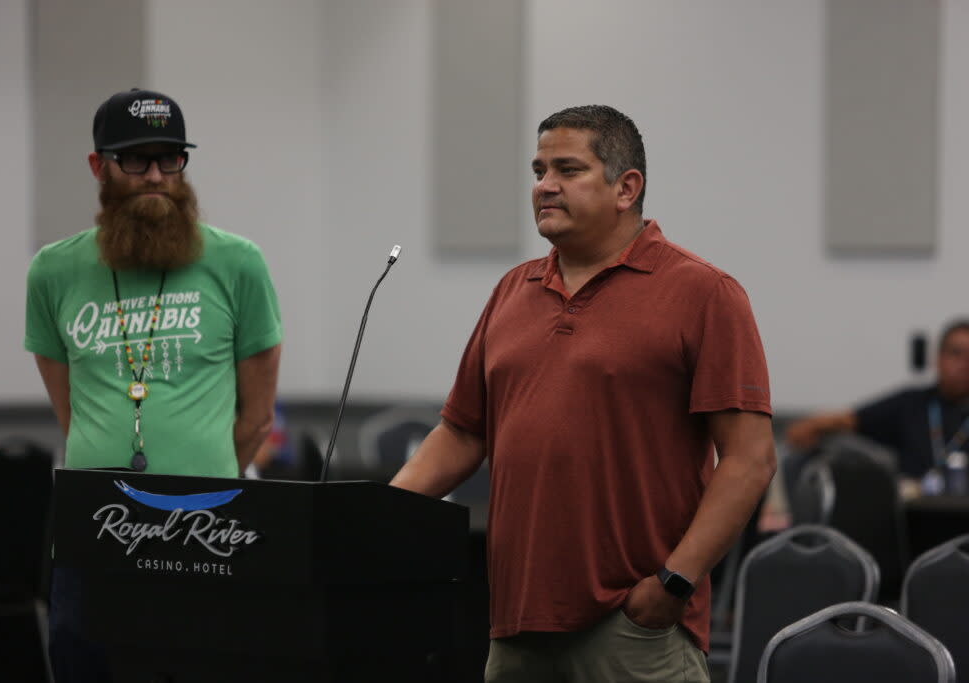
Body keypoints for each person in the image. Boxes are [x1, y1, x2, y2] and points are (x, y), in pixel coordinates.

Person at [390, 105, 776, 682]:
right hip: (517, 625)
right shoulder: (512, 290)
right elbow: (465, 432)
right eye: (539, 169)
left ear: (627, 187)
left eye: (567, 170)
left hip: (635, 625)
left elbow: (749, 459)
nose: (544, 186)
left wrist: (673, 582)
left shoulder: (703, 293)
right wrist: (370, 515)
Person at [24, 88, 282, 479]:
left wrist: (211, 474)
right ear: (98, 166)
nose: (155, 176)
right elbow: (73, 416)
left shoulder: (239, 262)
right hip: (97, 517)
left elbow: (259, 420)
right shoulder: (52, 271)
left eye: (169, 159)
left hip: (206, 516)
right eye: (135, 160)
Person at [785, 320, 969, 481]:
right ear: (936, 358)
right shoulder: (912, 403)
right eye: (956, 353)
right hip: (911, 512)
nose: (963, 363)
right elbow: (851, 419)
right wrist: (810, 427)